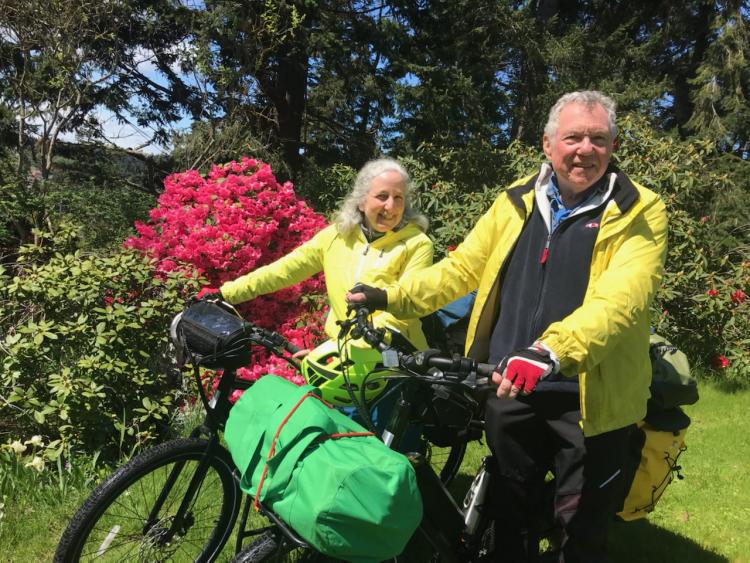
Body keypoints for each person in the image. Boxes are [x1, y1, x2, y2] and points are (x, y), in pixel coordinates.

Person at [347, 91, 668, 562]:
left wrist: (551, 350)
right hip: (510, 385)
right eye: (573, 137)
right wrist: (391, 296)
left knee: (580, 530)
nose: (585, 149)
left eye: (598, 139)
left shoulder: (639, 209)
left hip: (590, 399)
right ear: (547, 143)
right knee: (508, 515)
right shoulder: (516, 200)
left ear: (613, 145)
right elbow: (461, 271)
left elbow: (623, 299)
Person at [211, 157, 433, 353]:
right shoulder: (336, 236)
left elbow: (403, 308)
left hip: (398, 361)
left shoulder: (416, 244)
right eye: (382, 196)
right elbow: (283, 271)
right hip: (345, 359)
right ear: (362, 201)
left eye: (399, 197)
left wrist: (338, 352)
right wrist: (225, 294)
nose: (391, 206)